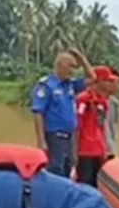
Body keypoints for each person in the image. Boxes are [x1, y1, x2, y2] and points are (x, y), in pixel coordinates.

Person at [31, 49, 96, 177]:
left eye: (74, 67)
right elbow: (38, 113)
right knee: (55, 170)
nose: (73, 70)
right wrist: (41, 141)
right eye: (71, 66)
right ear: (61, 65)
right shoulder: (47, 86)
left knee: (67, 169)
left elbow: (92, 78)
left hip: (69, 137)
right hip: (54, 136)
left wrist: (82, 59)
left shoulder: (70, 85)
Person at [73, 66, 119, 188]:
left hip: (98, 150)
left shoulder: (103, 102)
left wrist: (105, 149)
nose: (109, 84)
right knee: (85, 183)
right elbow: (77, 126)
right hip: (85, 150)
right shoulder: (83, 99)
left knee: (97, 185)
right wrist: (74, 152)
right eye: (107, 80)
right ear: (98, 80)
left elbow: (101, 127)